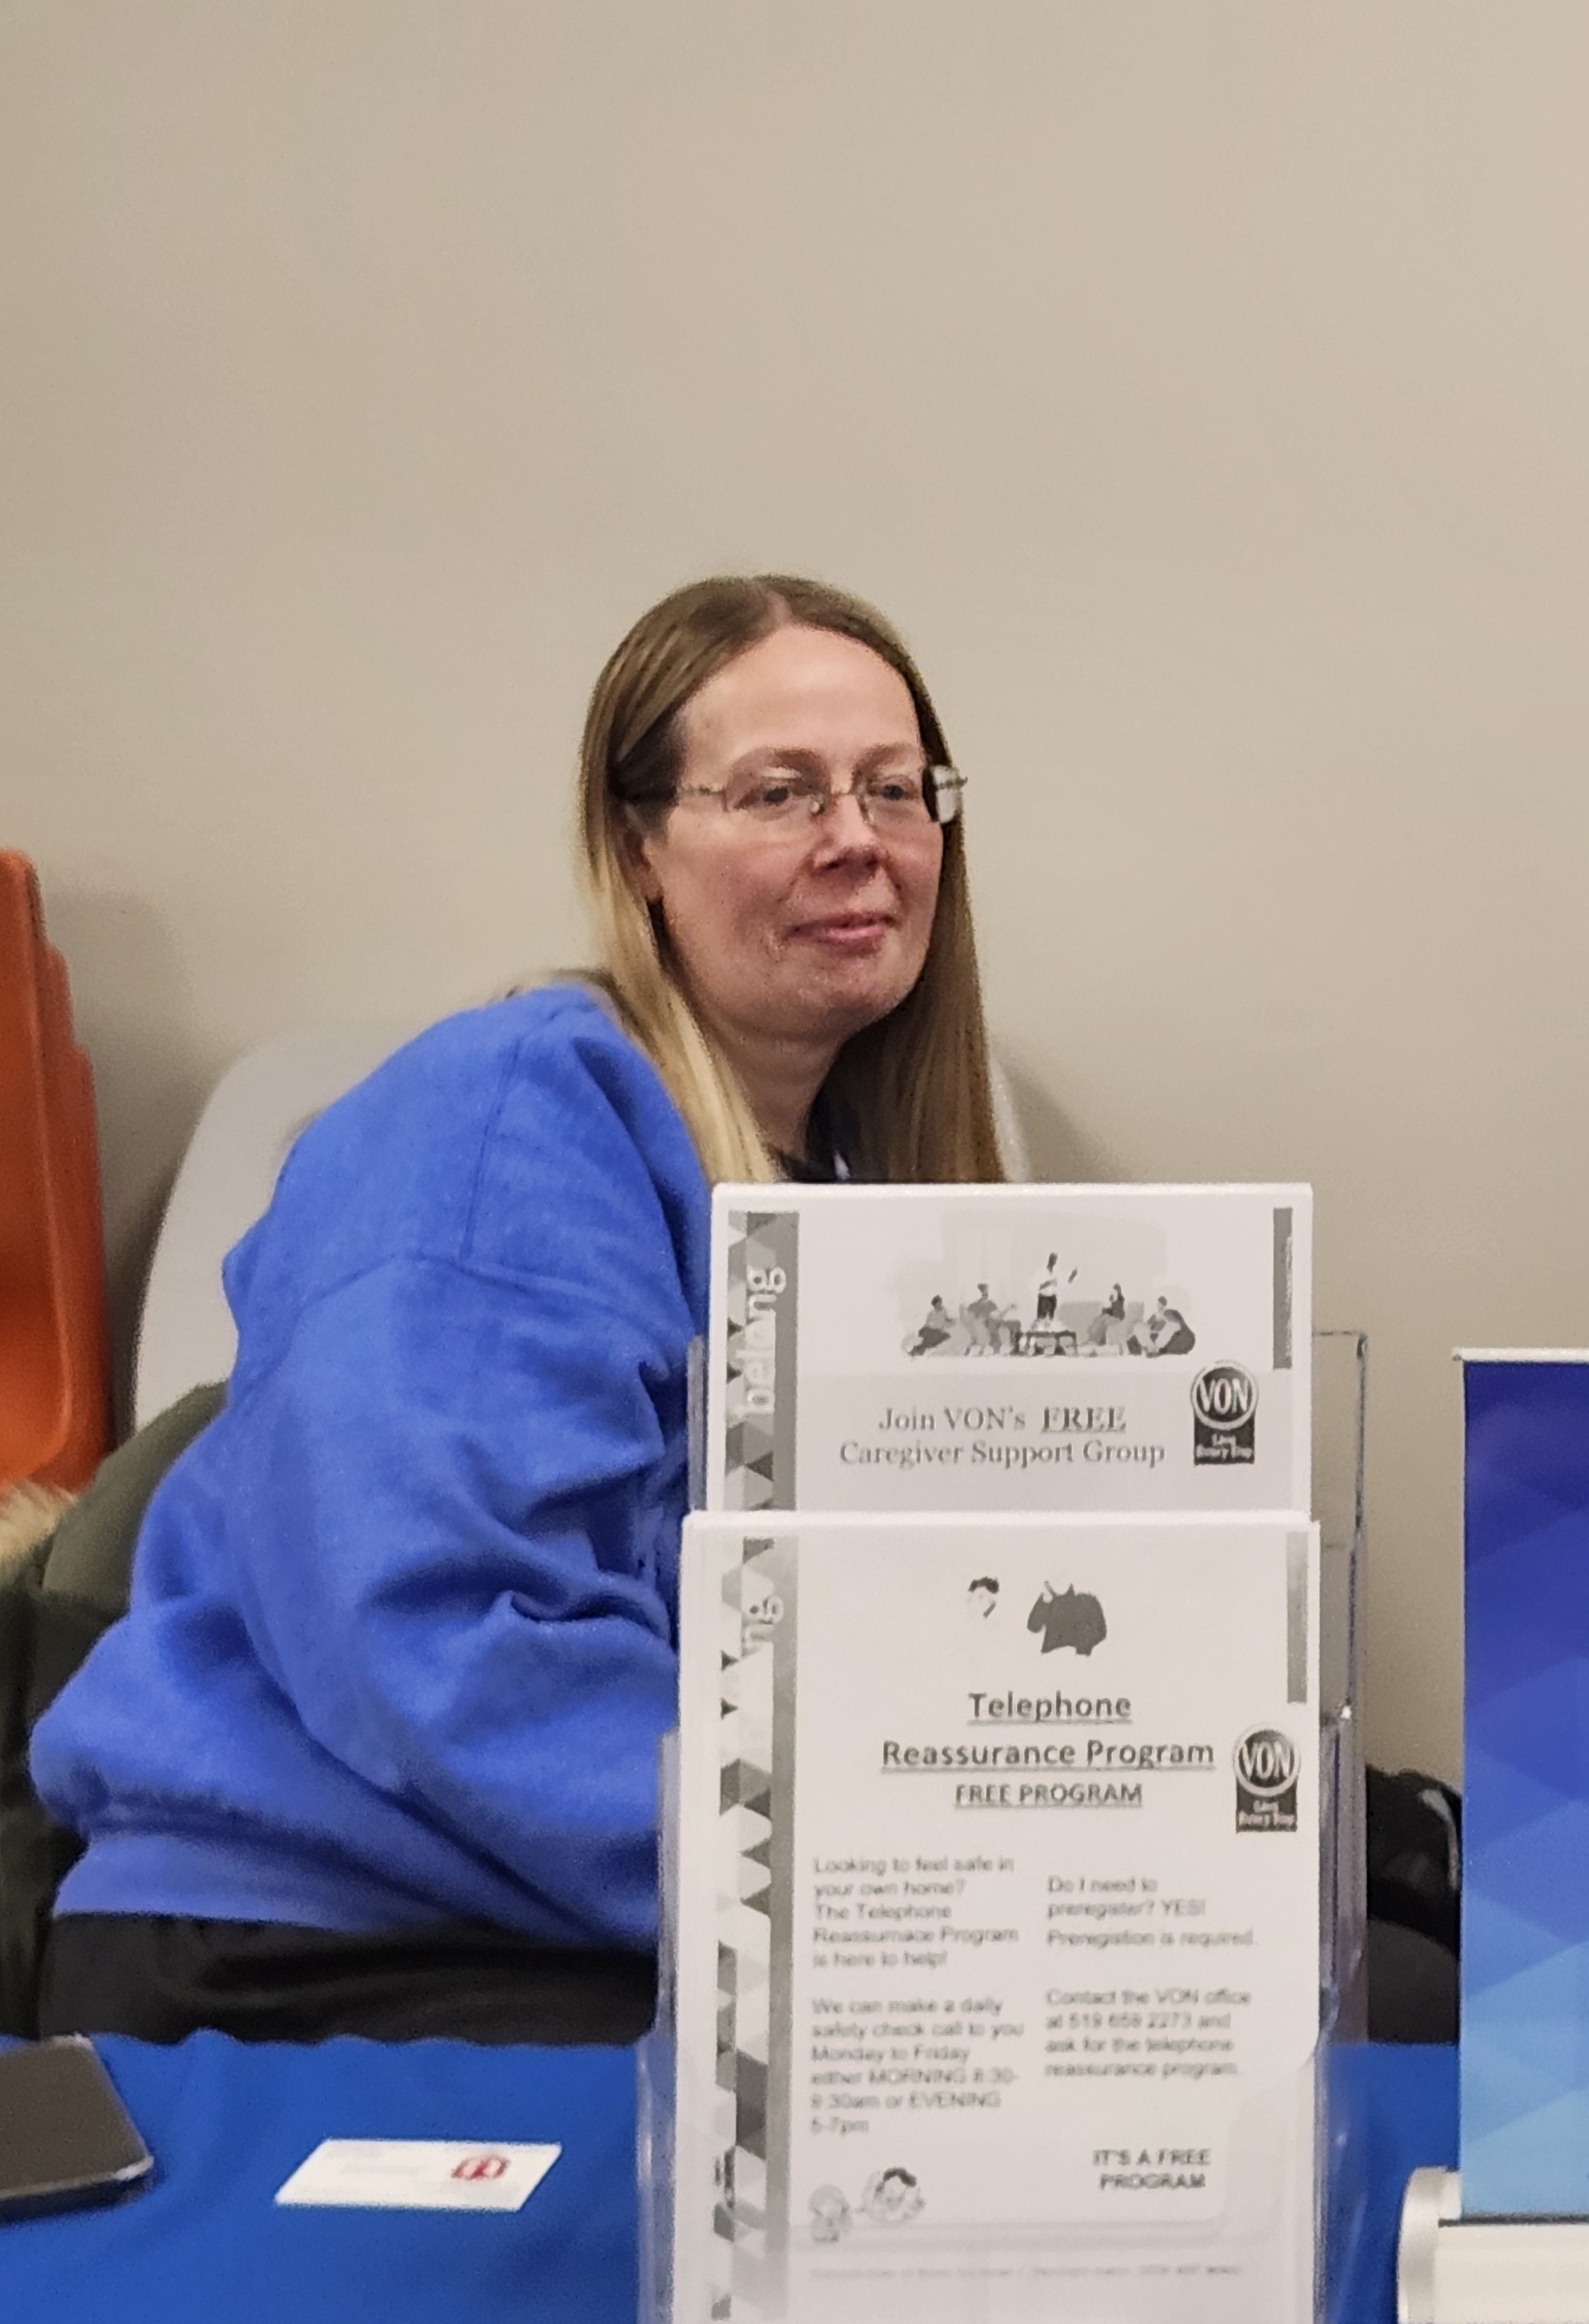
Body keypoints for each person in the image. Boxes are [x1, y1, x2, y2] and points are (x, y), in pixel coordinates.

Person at [30, 575, 1002, 2042]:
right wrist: (917, 1896)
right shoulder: (503, 1120)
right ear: (639, 849)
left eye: (894, 788)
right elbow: (444, 1647)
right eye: (780, 792)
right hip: (317, 1938)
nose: (856, 838)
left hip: (593, 1899)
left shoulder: (861, 1183)